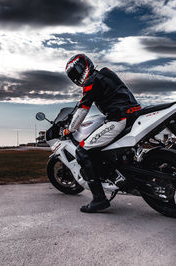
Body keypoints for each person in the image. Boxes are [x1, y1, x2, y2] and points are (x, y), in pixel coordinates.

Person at [63, 54, 140, 213]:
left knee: (82, 151)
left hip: (118, 118)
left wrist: (69, 129)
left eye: (77, 71)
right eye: (73, 75)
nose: (77, 76)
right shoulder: (105, 72)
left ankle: (99, 199)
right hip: (133, 114)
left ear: (85, 65)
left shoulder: (91, 82)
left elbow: (83, 110)